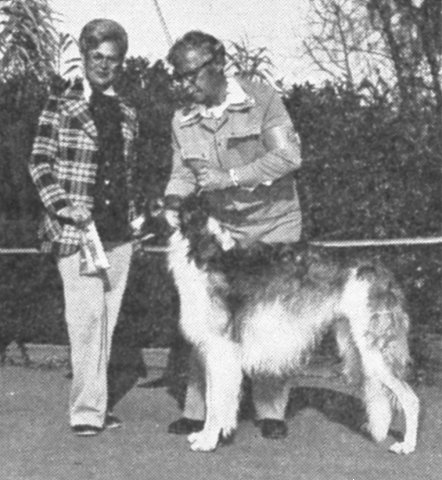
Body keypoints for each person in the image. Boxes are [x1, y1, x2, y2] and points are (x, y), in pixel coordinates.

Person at [164, 30, 303, 440]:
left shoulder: (262, 100)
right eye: (179, 78)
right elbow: (181, 172)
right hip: (222, 233)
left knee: (272, 321)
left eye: (191, 76)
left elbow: (289, 156)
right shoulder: (182, 119)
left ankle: (270, 411)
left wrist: (232, 177)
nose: (185, 86)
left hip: (274, 225)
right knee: (209, 319)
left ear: (218, 65)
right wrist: (172, 203)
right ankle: (201, 410)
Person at [29, 19, 139, 436]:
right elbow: (39, 163)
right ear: (84, 55)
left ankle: (96, 403)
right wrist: (64, 206)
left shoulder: (128, 112)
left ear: (121, 63)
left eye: (112, 59)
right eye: (97, 57)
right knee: (86, 320)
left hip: (118, 235)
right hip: (76, 233)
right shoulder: (58, 104)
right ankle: (86, 413)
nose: (104, 66)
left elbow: (127, 173)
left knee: (106, 322)